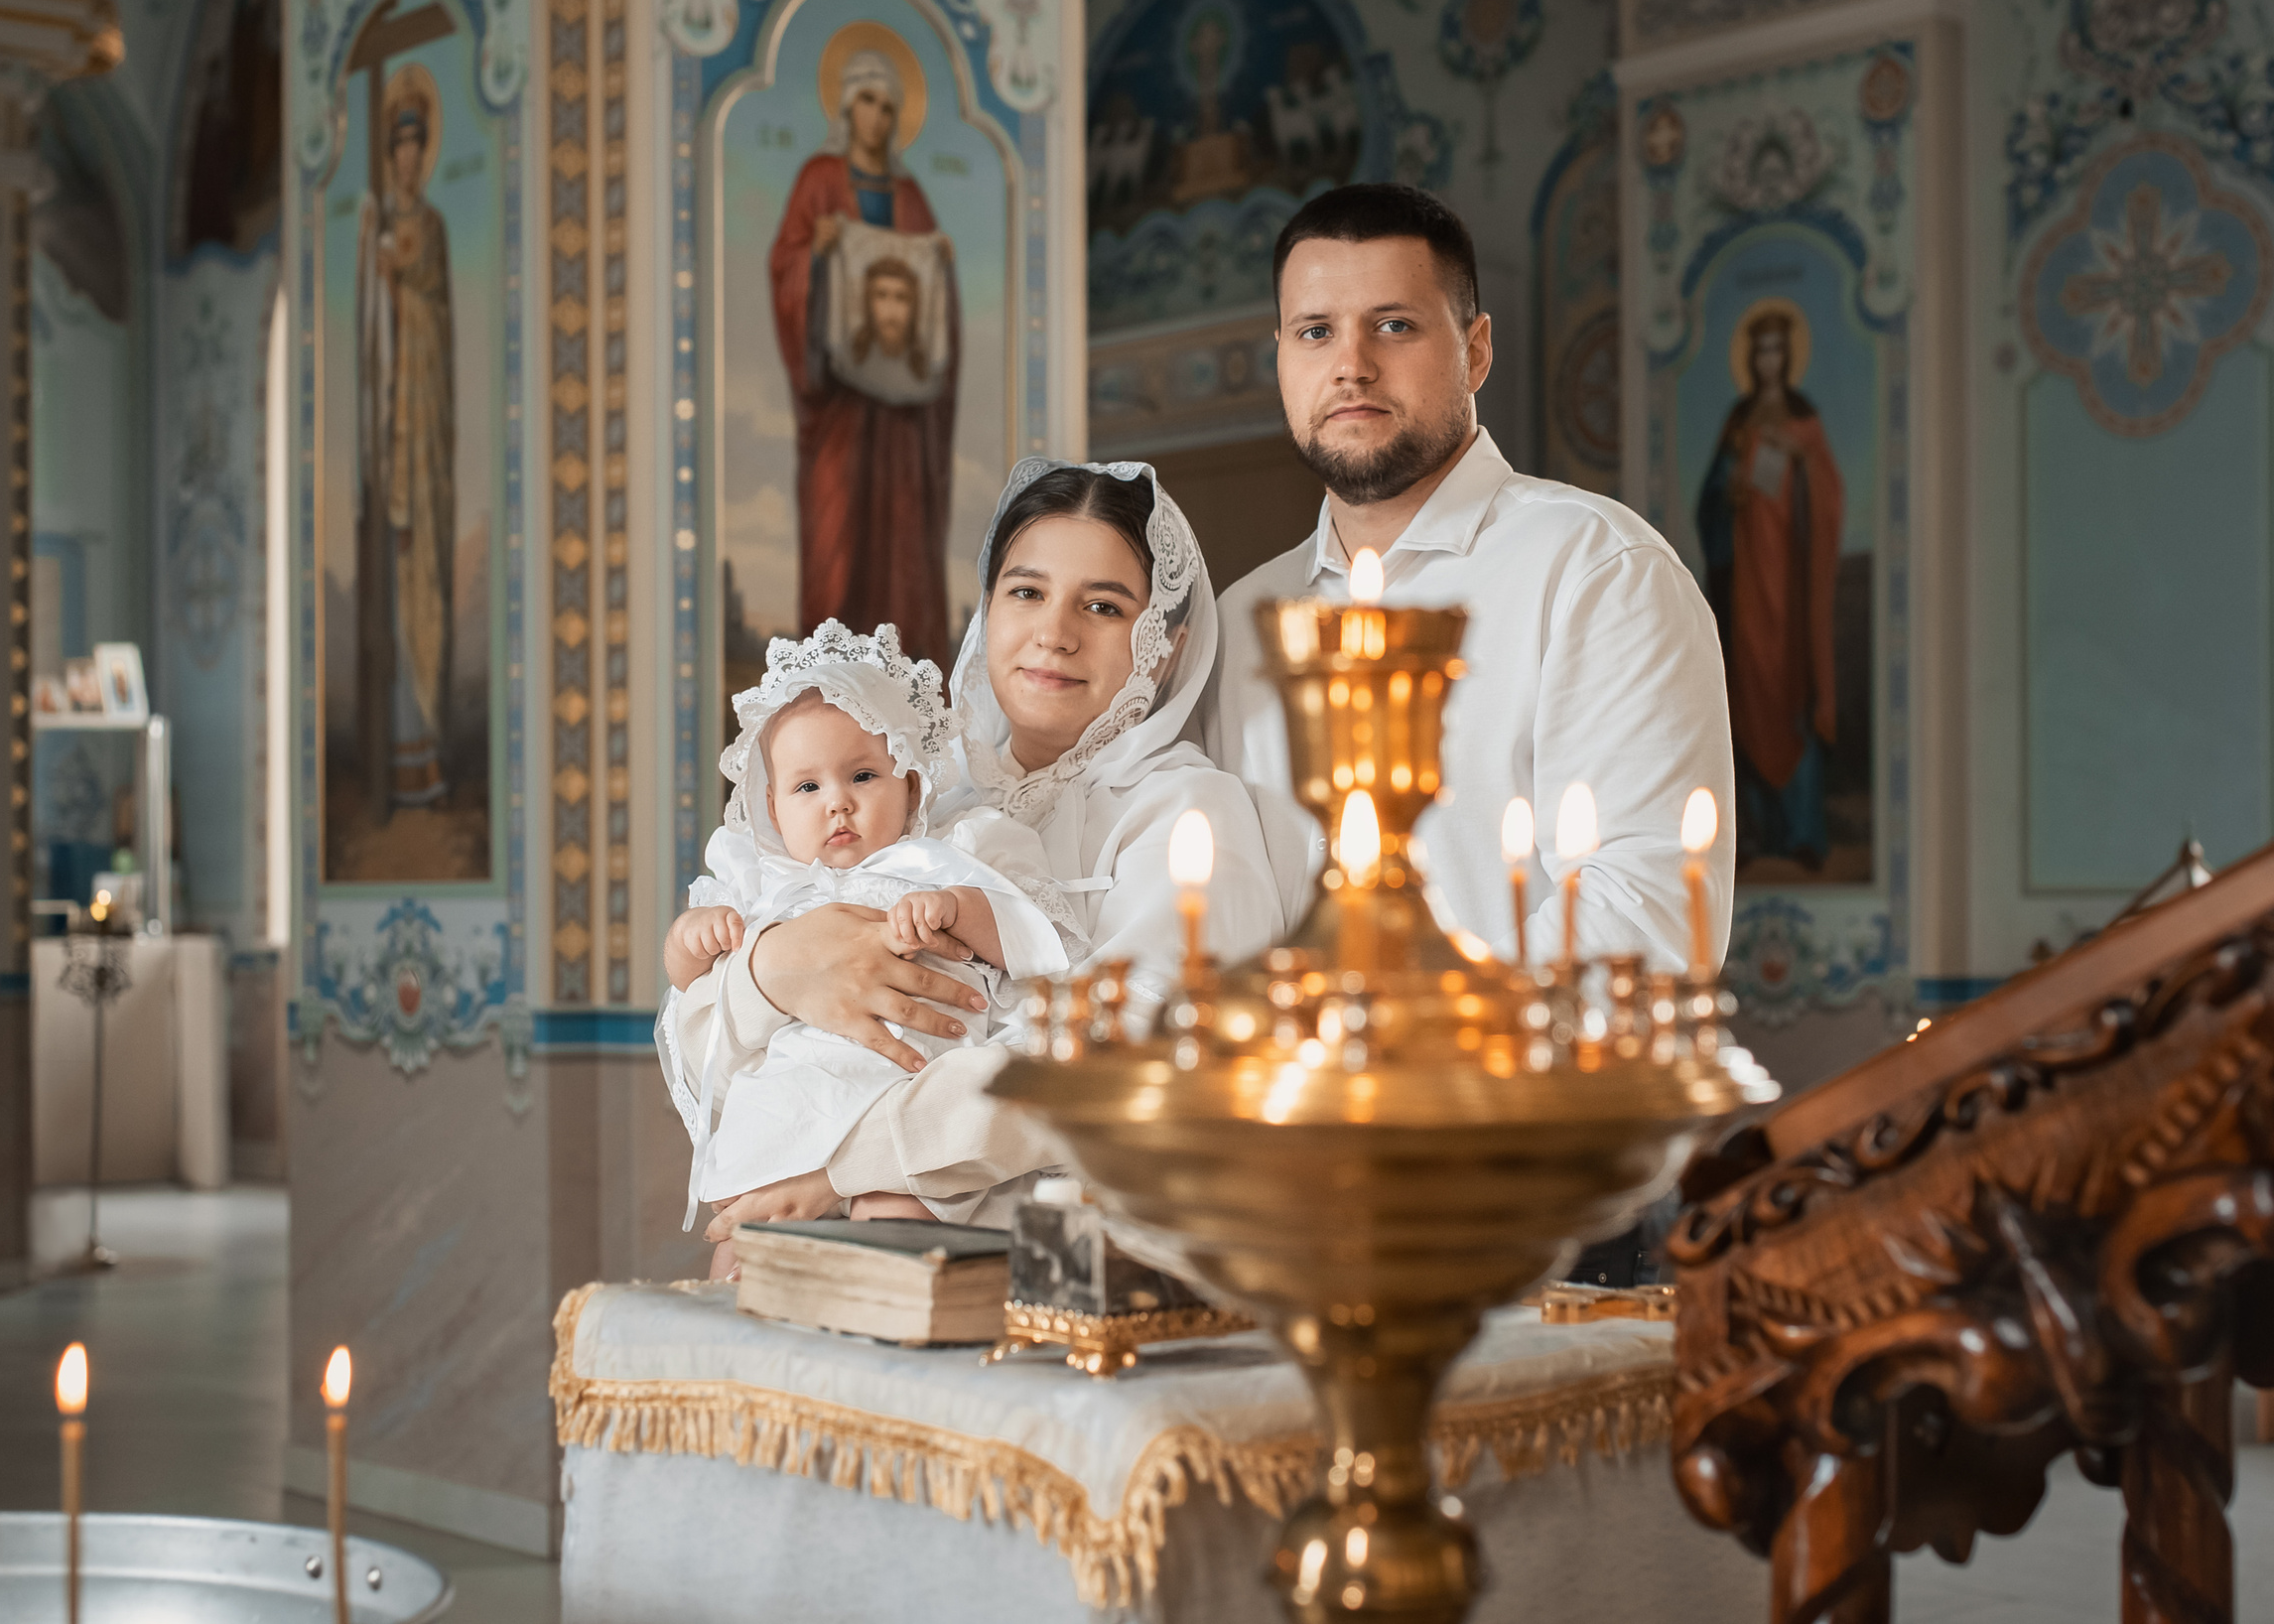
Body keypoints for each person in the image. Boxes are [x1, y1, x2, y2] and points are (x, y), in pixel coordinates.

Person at [667, 461, 1280, 1250]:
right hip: (815, 1186)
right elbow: (692, 1031)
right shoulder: (917, 788)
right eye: (1026, 592)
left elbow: (1130, 1047)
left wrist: (847, 1169)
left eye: (1102, 605)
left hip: (1056, 1244)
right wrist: (773, 967)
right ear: (988, 608)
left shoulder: (1190, 815)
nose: (1055, 632)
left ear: (1164, 645)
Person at [1202, 182, 1733, 972]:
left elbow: (1646, 915)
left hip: (1519, 1092)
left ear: (1476, 350)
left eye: (1394, 325)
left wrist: (1396, 1048)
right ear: (1279, 355)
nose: (1351, 365)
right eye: (1315, 331)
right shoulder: (1240, 619)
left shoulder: (1596, 572)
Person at [661, 621, 1076, 1277]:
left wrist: (958, 910)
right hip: (787, 1113)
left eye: (861, 775)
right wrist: (691, 939)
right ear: (770, 805)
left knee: (894, 1243)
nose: (838, 805)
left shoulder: (949, 855)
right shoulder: (759, 882)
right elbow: (693, 989)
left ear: (910, 783)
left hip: (904, 1114)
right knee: (742, 1257)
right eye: (808, 788)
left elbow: (1032, 938)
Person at [768, 44, 958, 663]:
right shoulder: (819, 181)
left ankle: (900, 683)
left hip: (902, 423)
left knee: (902, 543)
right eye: (867, 102)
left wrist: (940, 272)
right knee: (836, 539)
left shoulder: (910, 195)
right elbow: (785, 267)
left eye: (888, 105)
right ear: (847, 109)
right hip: (842, 415)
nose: (878, 117)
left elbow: (934, 312)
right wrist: (817, 255)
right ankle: (828, 682)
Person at [1696, 310, 1844, 874]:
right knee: (1747, 693)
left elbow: (1828, 495)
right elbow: (1711, 497)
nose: (1768, 363)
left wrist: (1804, 464)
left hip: (1793, 583)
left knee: (1793, 690)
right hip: (1744, 584)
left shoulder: (1804, 421)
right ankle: (1757, 830)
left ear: (1787, 356)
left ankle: (1804, 829)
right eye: (1760, 353)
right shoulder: (1738, 419)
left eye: (1777, 352)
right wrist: (1727, 491)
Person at [356, 78, 456, 819]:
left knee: (422, 577)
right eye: (399, 149)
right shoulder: (369, 230)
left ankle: (422, 752)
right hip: (385, 422)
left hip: (423, 423)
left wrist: (402, 288)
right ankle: (390, 757)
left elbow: (432, 315)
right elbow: (366, 332)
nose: (409, 163)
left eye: (418, 150)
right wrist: (376, 271)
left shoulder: (434, 228)